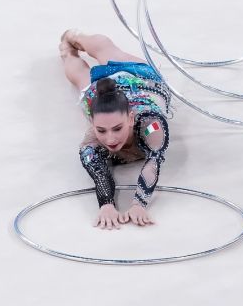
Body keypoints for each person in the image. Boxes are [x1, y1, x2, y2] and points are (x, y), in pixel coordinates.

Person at [59, 29, 170, 228]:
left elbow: (154, 161)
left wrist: (139, 204)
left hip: (140, 78)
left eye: (117, 129)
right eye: (101, 130)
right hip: (103, 93)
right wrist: (106, 205)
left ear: (130, 118)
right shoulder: (91, 139)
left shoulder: (151, 125)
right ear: (92, 123)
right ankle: (67, 50)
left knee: (106, 50)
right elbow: (98, 171)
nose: (110, 139)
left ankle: (76, 37)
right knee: (80, 78)